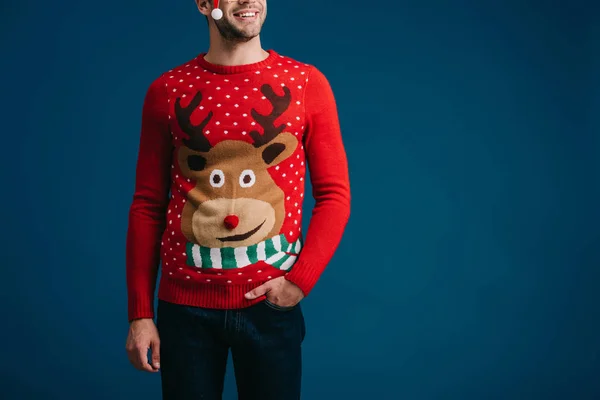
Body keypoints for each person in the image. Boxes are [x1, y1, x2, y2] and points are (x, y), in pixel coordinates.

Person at [124, 0, 351, 398]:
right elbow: (147, 205)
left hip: (270, 307)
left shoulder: (304, 83)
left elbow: (335, 195)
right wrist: (140, 314)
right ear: (203, 4)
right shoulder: (168, 91)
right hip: (184, 310)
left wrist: (298, 283)